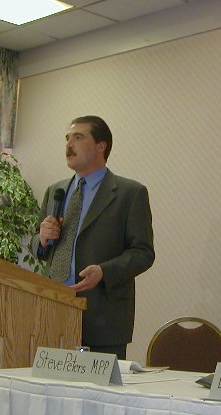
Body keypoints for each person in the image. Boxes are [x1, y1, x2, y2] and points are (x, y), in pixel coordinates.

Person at [31, 115, 155, 360]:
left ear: (101, 146)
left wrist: (104, 271)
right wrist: (42, 239)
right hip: (54, 313)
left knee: (98, 396)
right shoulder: (55, 191)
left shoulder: (129, 193)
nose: (69, 145)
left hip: (103, 318)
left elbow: (143, 253)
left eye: (78, 138)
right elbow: (38, 246)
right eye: (67, 138)